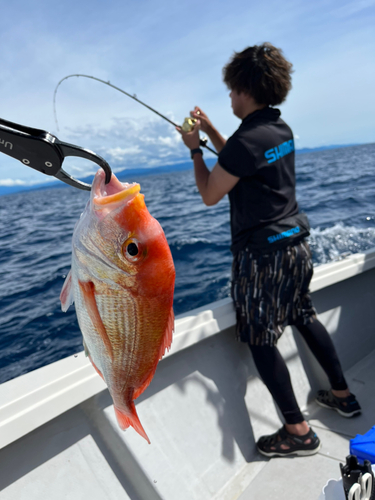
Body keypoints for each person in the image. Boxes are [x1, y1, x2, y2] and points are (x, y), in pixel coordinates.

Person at [177, 42, 361, 458]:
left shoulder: (247, 142)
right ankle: (344, 396)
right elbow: (242, 159)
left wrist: (193, 148)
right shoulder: (279, 131)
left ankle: (297, 431)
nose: (228, 97)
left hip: (262, 256)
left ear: (245, 89)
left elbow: (210, 192)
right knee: (303, 315)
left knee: (260, 339)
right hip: (296, 245)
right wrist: (208, 132)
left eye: (231, 90)